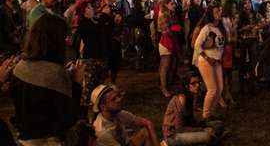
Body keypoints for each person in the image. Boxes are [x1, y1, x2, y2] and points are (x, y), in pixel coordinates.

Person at [10, 14, 85, 145]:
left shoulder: (20, 67)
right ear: (55, 40)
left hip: (24, 140)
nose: (66, 41)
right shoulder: (55, 74)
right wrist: (77, 83)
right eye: (64, 37)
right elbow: (68, 118)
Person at [162, 72, 224, 145]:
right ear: (186, 86)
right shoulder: (181, 99)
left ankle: (212, 138)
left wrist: (204, 125)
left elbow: (191, 121)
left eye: (198, 82)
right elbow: (179, 128)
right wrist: (202, 129)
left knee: (219, 124)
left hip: (186, 129)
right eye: (193, 83)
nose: (197, 85)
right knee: (207, 136)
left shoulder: (191, 96)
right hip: (173, 135)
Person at [91, 84, 160, 146]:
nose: (119, 100)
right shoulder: (102, 131)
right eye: (113, 99)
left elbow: (147, 123)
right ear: (103, 106)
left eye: (118, 96)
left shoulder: (118, 114)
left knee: (144, 132)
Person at [193, 4, 226, 120]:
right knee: (212, 89)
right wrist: (207, 58)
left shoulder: (219, 28)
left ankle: (212, 111)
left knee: (220, 88)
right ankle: (206, 115)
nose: (219, 13)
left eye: (220, 11)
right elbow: (197, 45)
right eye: (217, 11)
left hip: (216, 61)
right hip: (206, 60)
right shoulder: (206, 28)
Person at [158, 0, 182, 98]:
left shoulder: (172, 15)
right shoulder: (164, 15)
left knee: (170, 65)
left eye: (174, 4)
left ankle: (167, 84)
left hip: (172, 42)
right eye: (172, 4)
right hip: (166, 43)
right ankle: (164, 87)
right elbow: (165, 30)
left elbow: (177, 27)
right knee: (165, 66)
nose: (174, 6)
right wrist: (175, 28)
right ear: (166, 5)